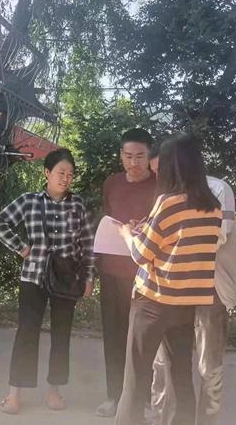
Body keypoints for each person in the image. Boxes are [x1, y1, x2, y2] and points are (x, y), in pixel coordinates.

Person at [115, 133, 223, 425]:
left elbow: (141, 254)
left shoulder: (168, 202)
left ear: (173, 166)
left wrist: (127, 234)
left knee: (135, 378)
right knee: (180, 377)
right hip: (186, 304)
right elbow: (181, 246)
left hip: (152, 302)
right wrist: (146, 229)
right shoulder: (213, 208)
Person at [0, 148, 96, 415]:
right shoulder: (29, 201)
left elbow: (87, 243)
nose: (66, 178)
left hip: (66, 279)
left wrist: (88, 276)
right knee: (27, 332)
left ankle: (54, 390)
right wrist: (20, 247)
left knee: (61, 334)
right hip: (33, 276)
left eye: (70, 174)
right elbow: (0, 222)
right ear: (47, 173)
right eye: (61, 172)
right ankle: (14, 393)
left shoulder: (77, 205)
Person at [151, 167, 236, 425]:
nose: (157, 173)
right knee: (163, 362)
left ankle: (206, 421)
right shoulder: (165, 193)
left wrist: (170, 240)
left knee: (209, 365)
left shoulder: (217, 189)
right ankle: (162, 419)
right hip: (171, 287)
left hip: (210, 288)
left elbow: (219, 234)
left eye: (162, 166)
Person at [96, 128, 159, 418]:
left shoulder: (161, 185)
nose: (133, 163)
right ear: (121, 155)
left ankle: (144, 399)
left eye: (140, 156)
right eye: (128, 156)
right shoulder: (112, 183)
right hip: (112, 270)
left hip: (146, 275)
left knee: (143, 338)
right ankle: (115, 396)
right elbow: (108, 220)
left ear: (150, 157)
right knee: (114, 335)